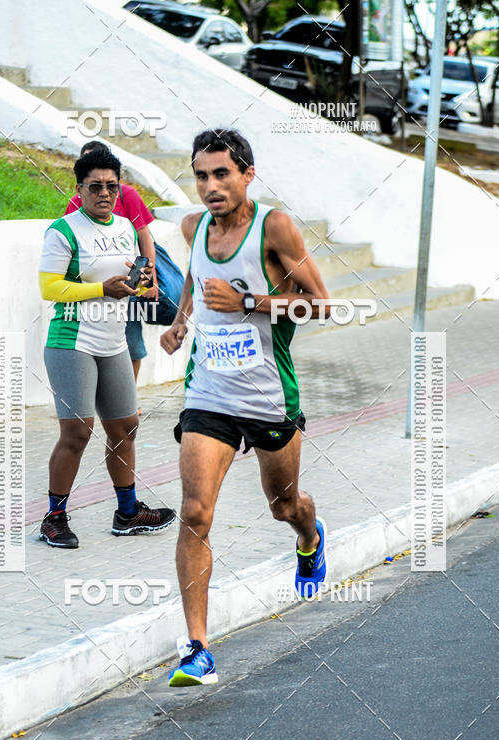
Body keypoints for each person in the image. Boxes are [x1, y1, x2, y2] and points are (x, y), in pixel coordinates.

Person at [160, 129, 331, 686]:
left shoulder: (273, 227)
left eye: (221, 174)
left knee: (284, 505)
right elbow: (193, 272)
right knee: (195, 512)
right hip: (208, 393)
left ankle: (309, 536)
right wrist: (182, 318)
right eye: (201, 175)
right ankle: (197, 649)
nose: (209, 186)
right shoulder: (192, 227)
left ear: (246, 174)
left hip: (267, 397)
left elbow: (323, 307)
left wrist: (248, 302)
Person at [38, 146, 176, 549]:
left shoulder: (125, 228)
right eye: (95, 186)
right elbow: (50, 287)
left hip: (114, 342)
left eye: (111, 186)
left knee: (125, 428)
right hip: (71, 341)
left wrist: (144, 284)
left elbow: (132, 279)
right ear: (78, 188)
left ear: (120, 188)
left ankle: (128, 513)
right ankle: (54, 518)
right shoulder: (62, 230)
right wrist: (101, 288)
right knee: (77, 432)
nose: (104, 193)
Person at [65, 140, 184, 387]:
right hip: (93, 289)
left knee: (130, 341)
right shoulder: (75, 206)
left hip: (128, 283)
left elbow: (144, 237)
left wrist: (148, 280)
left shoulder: (127, 195)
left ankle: (127, 399)